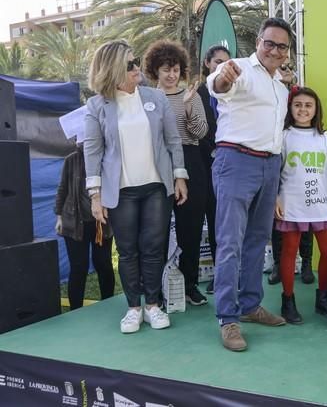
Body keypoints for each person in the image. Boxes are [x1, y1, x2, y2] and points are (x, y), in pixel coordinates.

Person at [84, 40, 188, 333]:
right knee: (128, 250)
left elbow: (172, 140)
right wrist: (95, 195)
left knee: (153, 248)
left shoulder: (156, 97)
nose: (136, 68)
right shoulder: (96, 106)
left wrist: (179, 177)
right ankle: (133, 308)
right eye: (130, 64)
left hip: (157, 186)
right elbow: (92, 151)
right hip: (122, 190)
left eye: (136, 61)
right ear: (113, 69)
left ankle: (153, 306)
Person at [207, 17, 294, 352]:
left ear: (287, 52)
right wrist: (221, 79)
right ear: (258, 41)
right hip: (236, 160)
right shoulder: (239, 69)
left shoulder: (281, 87)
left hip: (269, 164)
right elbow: (219, 84)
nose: (274, 50)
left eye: (281, 46)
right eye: (268, 43)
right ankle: (228, 319)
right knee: (230, 243)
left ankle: (250, 305)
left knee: (258, 240)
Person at [144, 40, 209, 306]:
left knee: (191, 229)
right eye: (165, 69)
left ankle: (190, 284)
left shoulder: (191, 96)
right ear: (155, 71)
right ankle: (156, 290)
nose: (171, 75)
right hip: (157, 163)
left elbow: (201, 132)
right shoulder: (146, 98)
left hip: (191, 160)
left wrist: (190, 106)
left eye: (175, 69)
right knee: (156, 230)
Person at [274, 86, 327, 324]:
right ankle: (288, 301)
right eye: (298, 105)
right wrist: (275, 198)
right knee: (290, 252)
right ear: (290, 108)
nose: (303, 109)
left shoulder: (324, 137)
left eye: (308, 105)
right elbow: (273, 170)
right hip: (291, 203)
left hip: (321, 204)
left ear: (316, 110)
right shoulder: (283, 135)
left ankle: (323, 298)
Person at [55, 140, 115, 310]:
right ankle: (75, 310)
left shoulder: (106, 158)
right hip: (74, 223)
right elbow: (62, 189)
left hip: (101, 222)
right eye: (78, 138)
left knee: (103, 263)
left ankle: (108, 303)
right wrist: (59, 216)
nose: (80, 141)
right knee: (79, 266)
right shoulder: (71, 160)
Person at [196, 45, 231, 295]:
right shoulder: (196, 93)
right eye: (217, 61)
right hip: (203, 167)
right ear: (207, 63)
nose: (221, 66)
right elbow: (198, 130)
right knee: (208, 222)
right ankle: (202, 280)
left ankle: (227, 275)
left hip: (231, 168)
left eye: (226, 63)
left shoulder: (234, 92)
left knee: (226, 225)